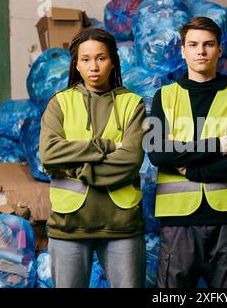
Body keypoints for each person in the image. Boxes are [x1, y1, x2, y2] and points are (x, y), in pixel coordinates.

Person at [146, 17, 227, 288]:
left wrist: (193, 169)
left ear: (220, 49)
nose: (201, 51)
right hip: (178, 221)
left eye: (208, 44)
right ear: (182, 50)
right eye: (193, 44)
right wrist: (217, 146)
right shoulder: (164, 96)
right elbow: (158, 153)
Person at [39, 28, 146, 288]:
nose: (93, 67)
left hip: (121, 224)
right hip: (68, 225)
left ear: (113, 61)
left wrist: (75, 169)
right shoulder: (60, 103)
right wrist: (105, 146)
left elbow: (130, 159)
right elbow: (49, 153)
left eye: (101, 58)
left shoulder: (132, 104)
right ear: (76, 64)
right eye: (85, 60)